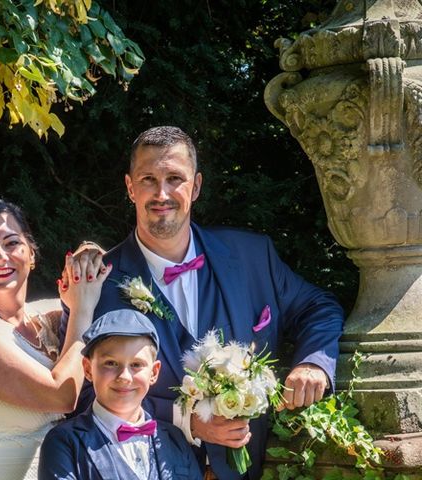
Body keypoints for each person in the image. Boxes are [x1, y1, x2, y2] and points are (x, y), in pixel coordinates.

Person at [79, 126, 345, 479]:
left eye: (175, 178)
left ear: (197, 186)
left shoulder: (252, 256)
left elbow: (320, 307)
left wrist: (313, 363)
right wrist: (187, 420)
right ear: (130, 187)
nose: (162, 193)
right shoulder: (99, 283)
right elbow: (82, 399)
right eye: (148, 179)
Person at [0, 198, 111, 480]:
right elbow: (62, 394)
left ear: (31, 255)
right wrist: (81, 308)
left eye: (12, 243)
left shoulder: (48, 318)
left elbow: (105, 295)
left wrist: (88, 258)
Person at [38, 309, 203, 480]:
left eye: (136, 364)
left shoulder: (175, 439)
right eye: (110, 363)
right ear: (88, 369)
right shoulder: (65, 443)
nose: (124, 377)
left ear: (154, 372)